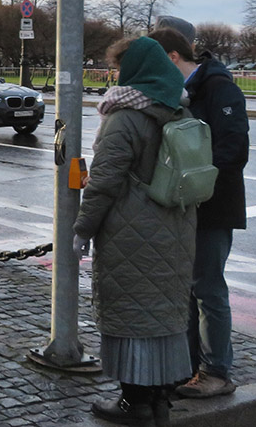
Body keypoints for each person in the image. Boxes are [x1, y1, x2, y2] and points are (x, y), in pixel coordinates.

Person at [74, 37, 196, 426]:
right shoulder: (178, 110)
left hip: (131, 233)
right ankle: (161, 398)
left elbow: (104, 182)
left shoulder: (124, 116)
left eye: (120, 67)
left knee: (131, 314)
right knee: (162, 314)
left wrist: (82, 229)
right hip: (175, 230)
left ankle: (134, 403)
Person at [149, 23, 249, 399]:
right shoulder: (185, 91)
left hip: (213, 206)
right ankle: (190, 368)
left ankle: (216, 371)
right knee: (190, 290)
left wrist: (196, 184)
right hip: (189, 205)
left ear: (174, 57)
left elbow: (233, 149)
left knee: (208, 290)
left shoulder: (219, 87)